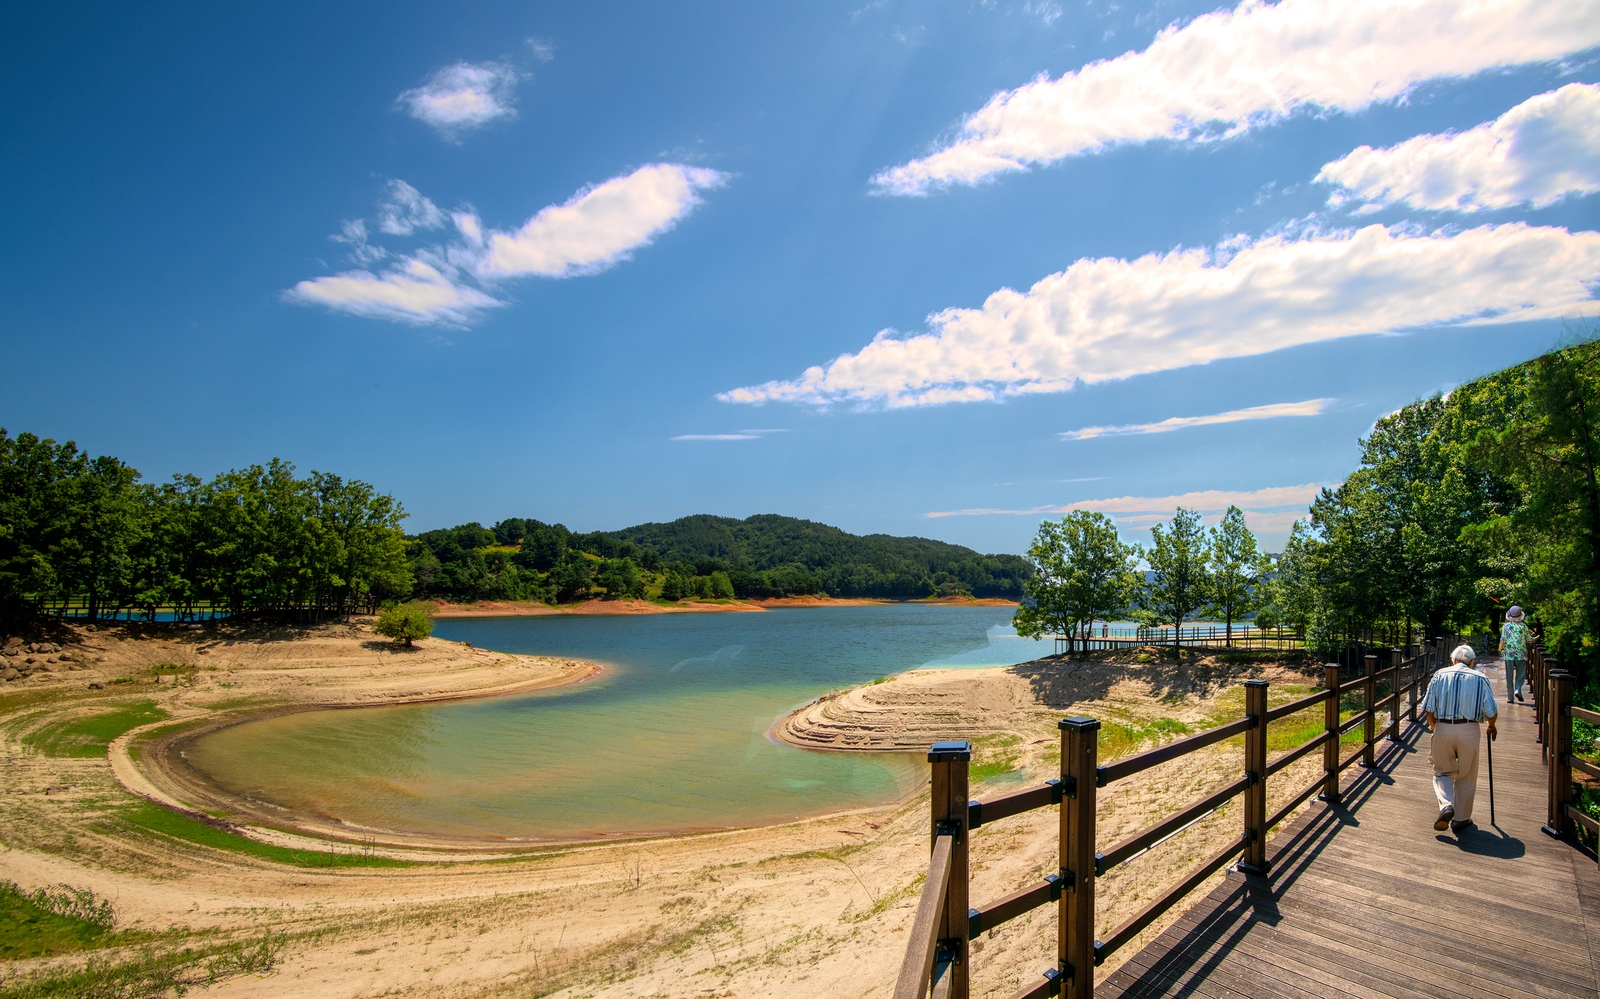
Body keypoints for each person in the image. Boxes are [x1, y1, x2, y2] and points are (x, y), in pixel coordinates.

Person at [1421, 644, 1498, 834]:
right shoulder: (1480, 678)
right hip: (1469, 729)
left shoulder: (1439, 675)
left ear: (1452, 659)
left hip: (1443, 727)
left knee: (1442, 772)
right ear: (1472, 662)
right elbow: (1491, 711)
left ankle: (1446, 805)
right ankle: (1461, 819)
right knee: (1466, 775)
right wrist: (1491, 725)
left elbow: (1429, 709)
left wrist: (1435, 728)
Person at [1499, 606, 1530, 703]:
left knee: (1509, 676)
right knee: (1520, 675)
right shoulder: (1523, 626)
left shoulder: (1506, 626)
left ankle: (1510, 697)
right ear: (1520, 615)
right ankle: (1518, 689)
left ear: (1509, 615)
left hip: (1509, 654)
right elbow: (1529, 639)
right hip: (1521, 653)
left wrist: (1500, 649)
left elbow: (1503, 639)